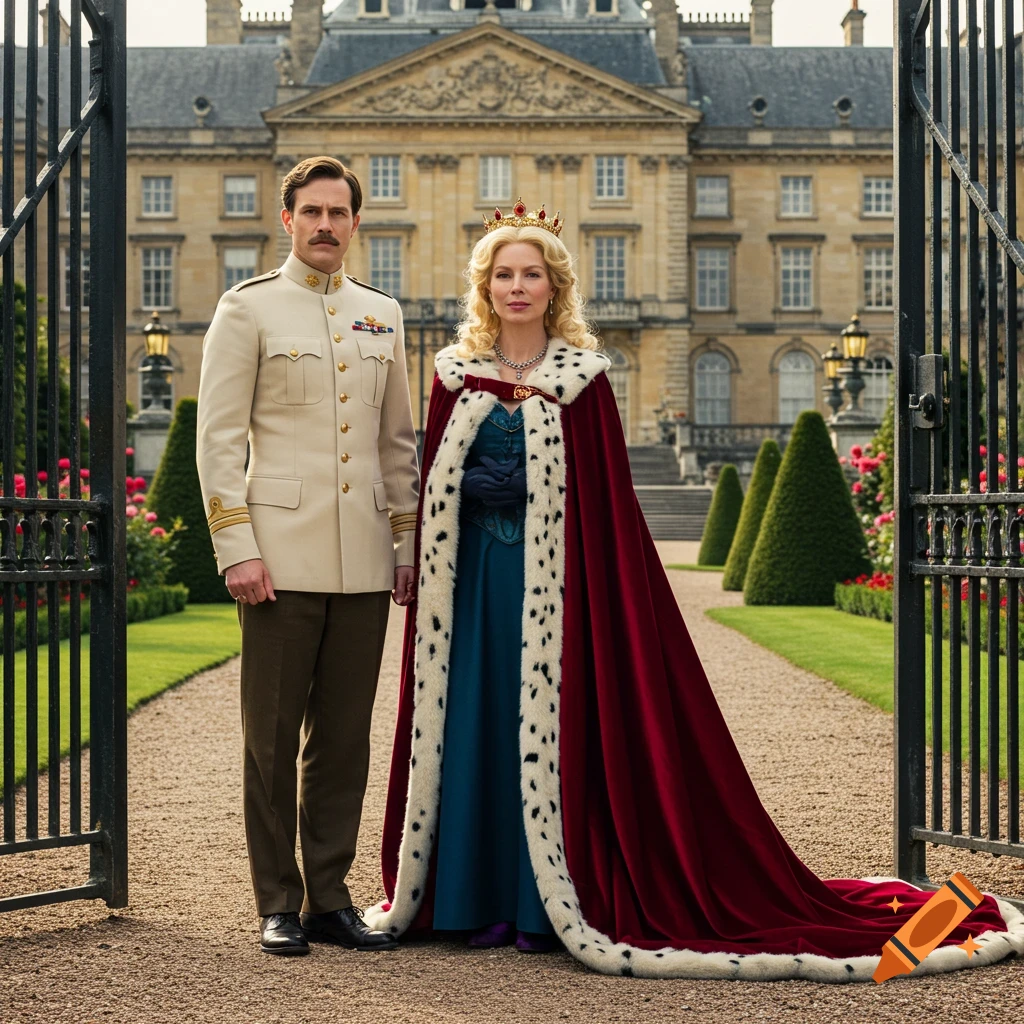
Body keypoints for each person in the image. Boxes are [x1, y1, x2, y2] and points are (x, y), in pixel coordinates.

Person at [364, 200, 1024, 980]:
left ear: (554, 286)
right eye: (503, 275)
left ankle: (546, 904)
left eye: (531, 274)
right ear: (485, 286)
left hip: (562, 589)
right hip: (473, 583)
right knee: (473, 722)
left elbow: (607, 513)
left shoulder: (585, 380)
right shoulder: (451, 374)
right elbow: (427, 476)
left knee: (554, 731)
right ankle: (472, 898)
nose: (517, 287)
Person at [196, 156, 419, 956]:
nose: (327, 225)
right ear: (287, 219)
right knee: (271, 738)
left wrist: (404, 544)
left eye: (340, 213)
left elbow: (397, 441)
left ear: (357, 222)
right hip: (277, 561)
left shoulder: (380, 314)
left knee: (345, 739)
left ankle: (330, 895)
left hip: (363, 559)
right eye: (312, 212)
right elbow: (219, 442)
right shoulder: (247, 307)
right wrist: (236, 548)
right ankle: (277, 900)